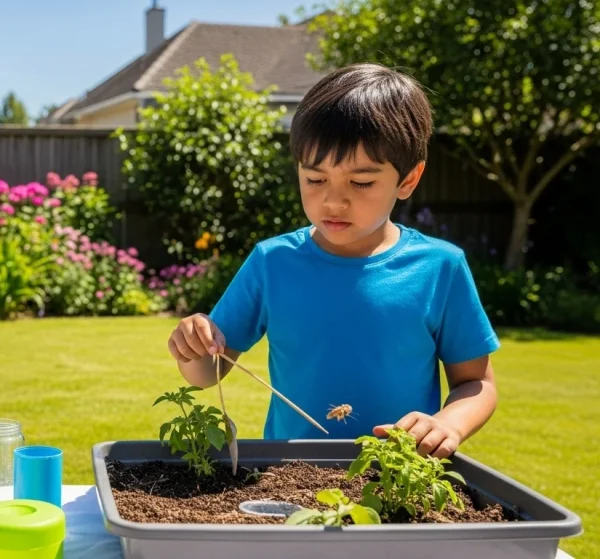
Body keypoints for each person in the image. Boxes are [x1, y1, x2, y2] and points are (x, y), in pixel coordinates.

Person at [168, 63, 499, 458]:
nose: (334, 200)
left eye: (361, 182)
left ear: (408, 179)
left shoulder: (440, 268)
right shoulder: (272, 262)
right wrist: (193, 346)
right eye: (315, 178)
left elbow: (477, 385)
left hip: (397, 479)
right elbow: (209, 373)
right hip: (286, 479)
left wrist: (448, 423)